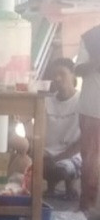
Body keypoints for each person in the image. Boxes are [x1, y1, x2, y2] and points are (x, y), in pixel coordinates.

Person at [44, 58, 82, 199]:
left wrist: (60, 157)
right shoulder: (47, 101)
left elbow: (84, 140)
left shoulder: (82, 101)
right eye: (54, 75)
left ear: (73, 75)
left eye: (62, 73)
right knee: (34, 163)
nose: (57, 78)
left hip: (73, 154)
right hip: (48, 153)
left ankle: (70, 188)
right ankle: (50, 188)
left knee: (62, 169)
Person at [75, 25, 100, 215]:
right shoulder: (91, 37)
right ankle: (88, 205)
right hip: (93, 109)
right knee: (91, 161)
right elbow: (78, 69)